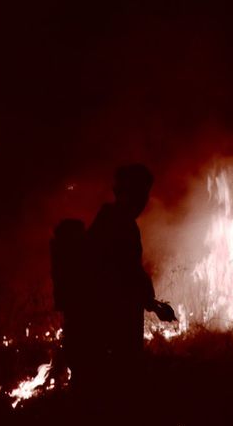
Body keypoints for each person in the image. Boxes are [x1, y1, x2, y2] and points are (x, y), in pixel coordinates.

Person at [73, 164, 175, 390]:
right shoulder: (117, 223)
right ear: (125, 193)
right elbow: (124, 271)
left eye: (145, 194)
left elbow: (128, 271)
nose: (143, 201)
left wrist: (153, 303)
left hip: (115, 313)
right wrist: (153, 304)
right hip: (114, 317)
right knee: (122, 377)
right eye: (139, 193)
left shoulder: (114, 220)